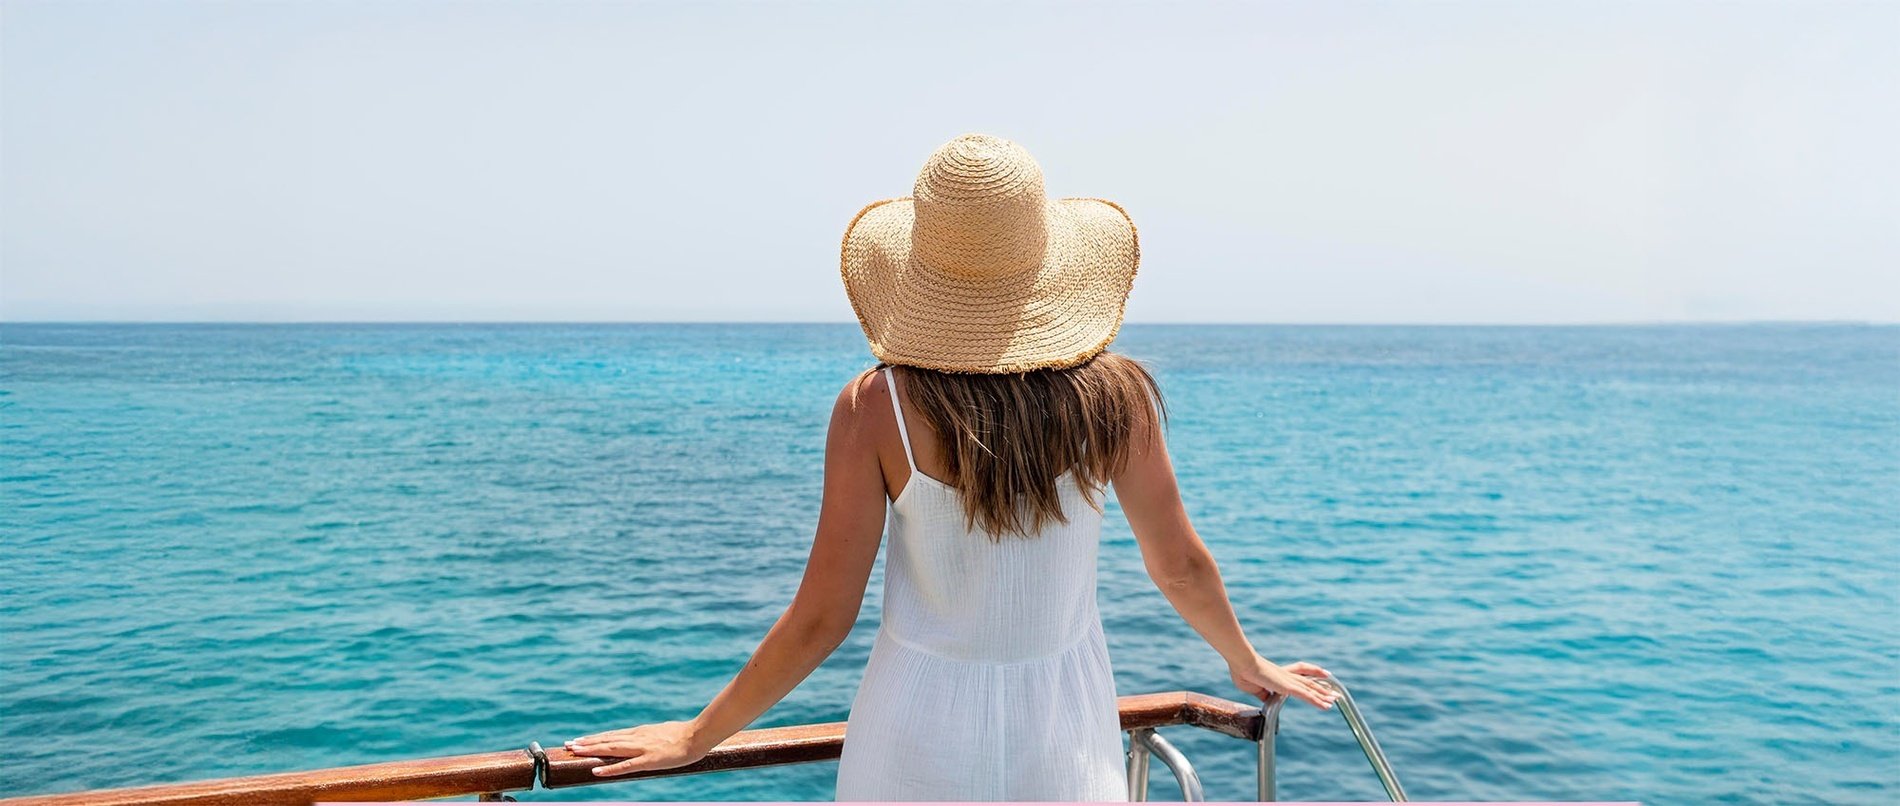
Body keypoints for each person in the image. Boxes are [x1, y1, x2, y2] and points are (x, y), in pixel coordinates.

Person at [563, 134, 1337, 801]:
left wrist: (701, 735)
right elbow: (1179, 567)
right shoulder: (1116, 398)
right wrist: (1246, 659)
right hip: (1064, 734)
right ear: (1048, 260)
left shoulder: (879, 406)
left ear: (924, 267)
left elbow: (822, 618)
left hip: (914, 732)